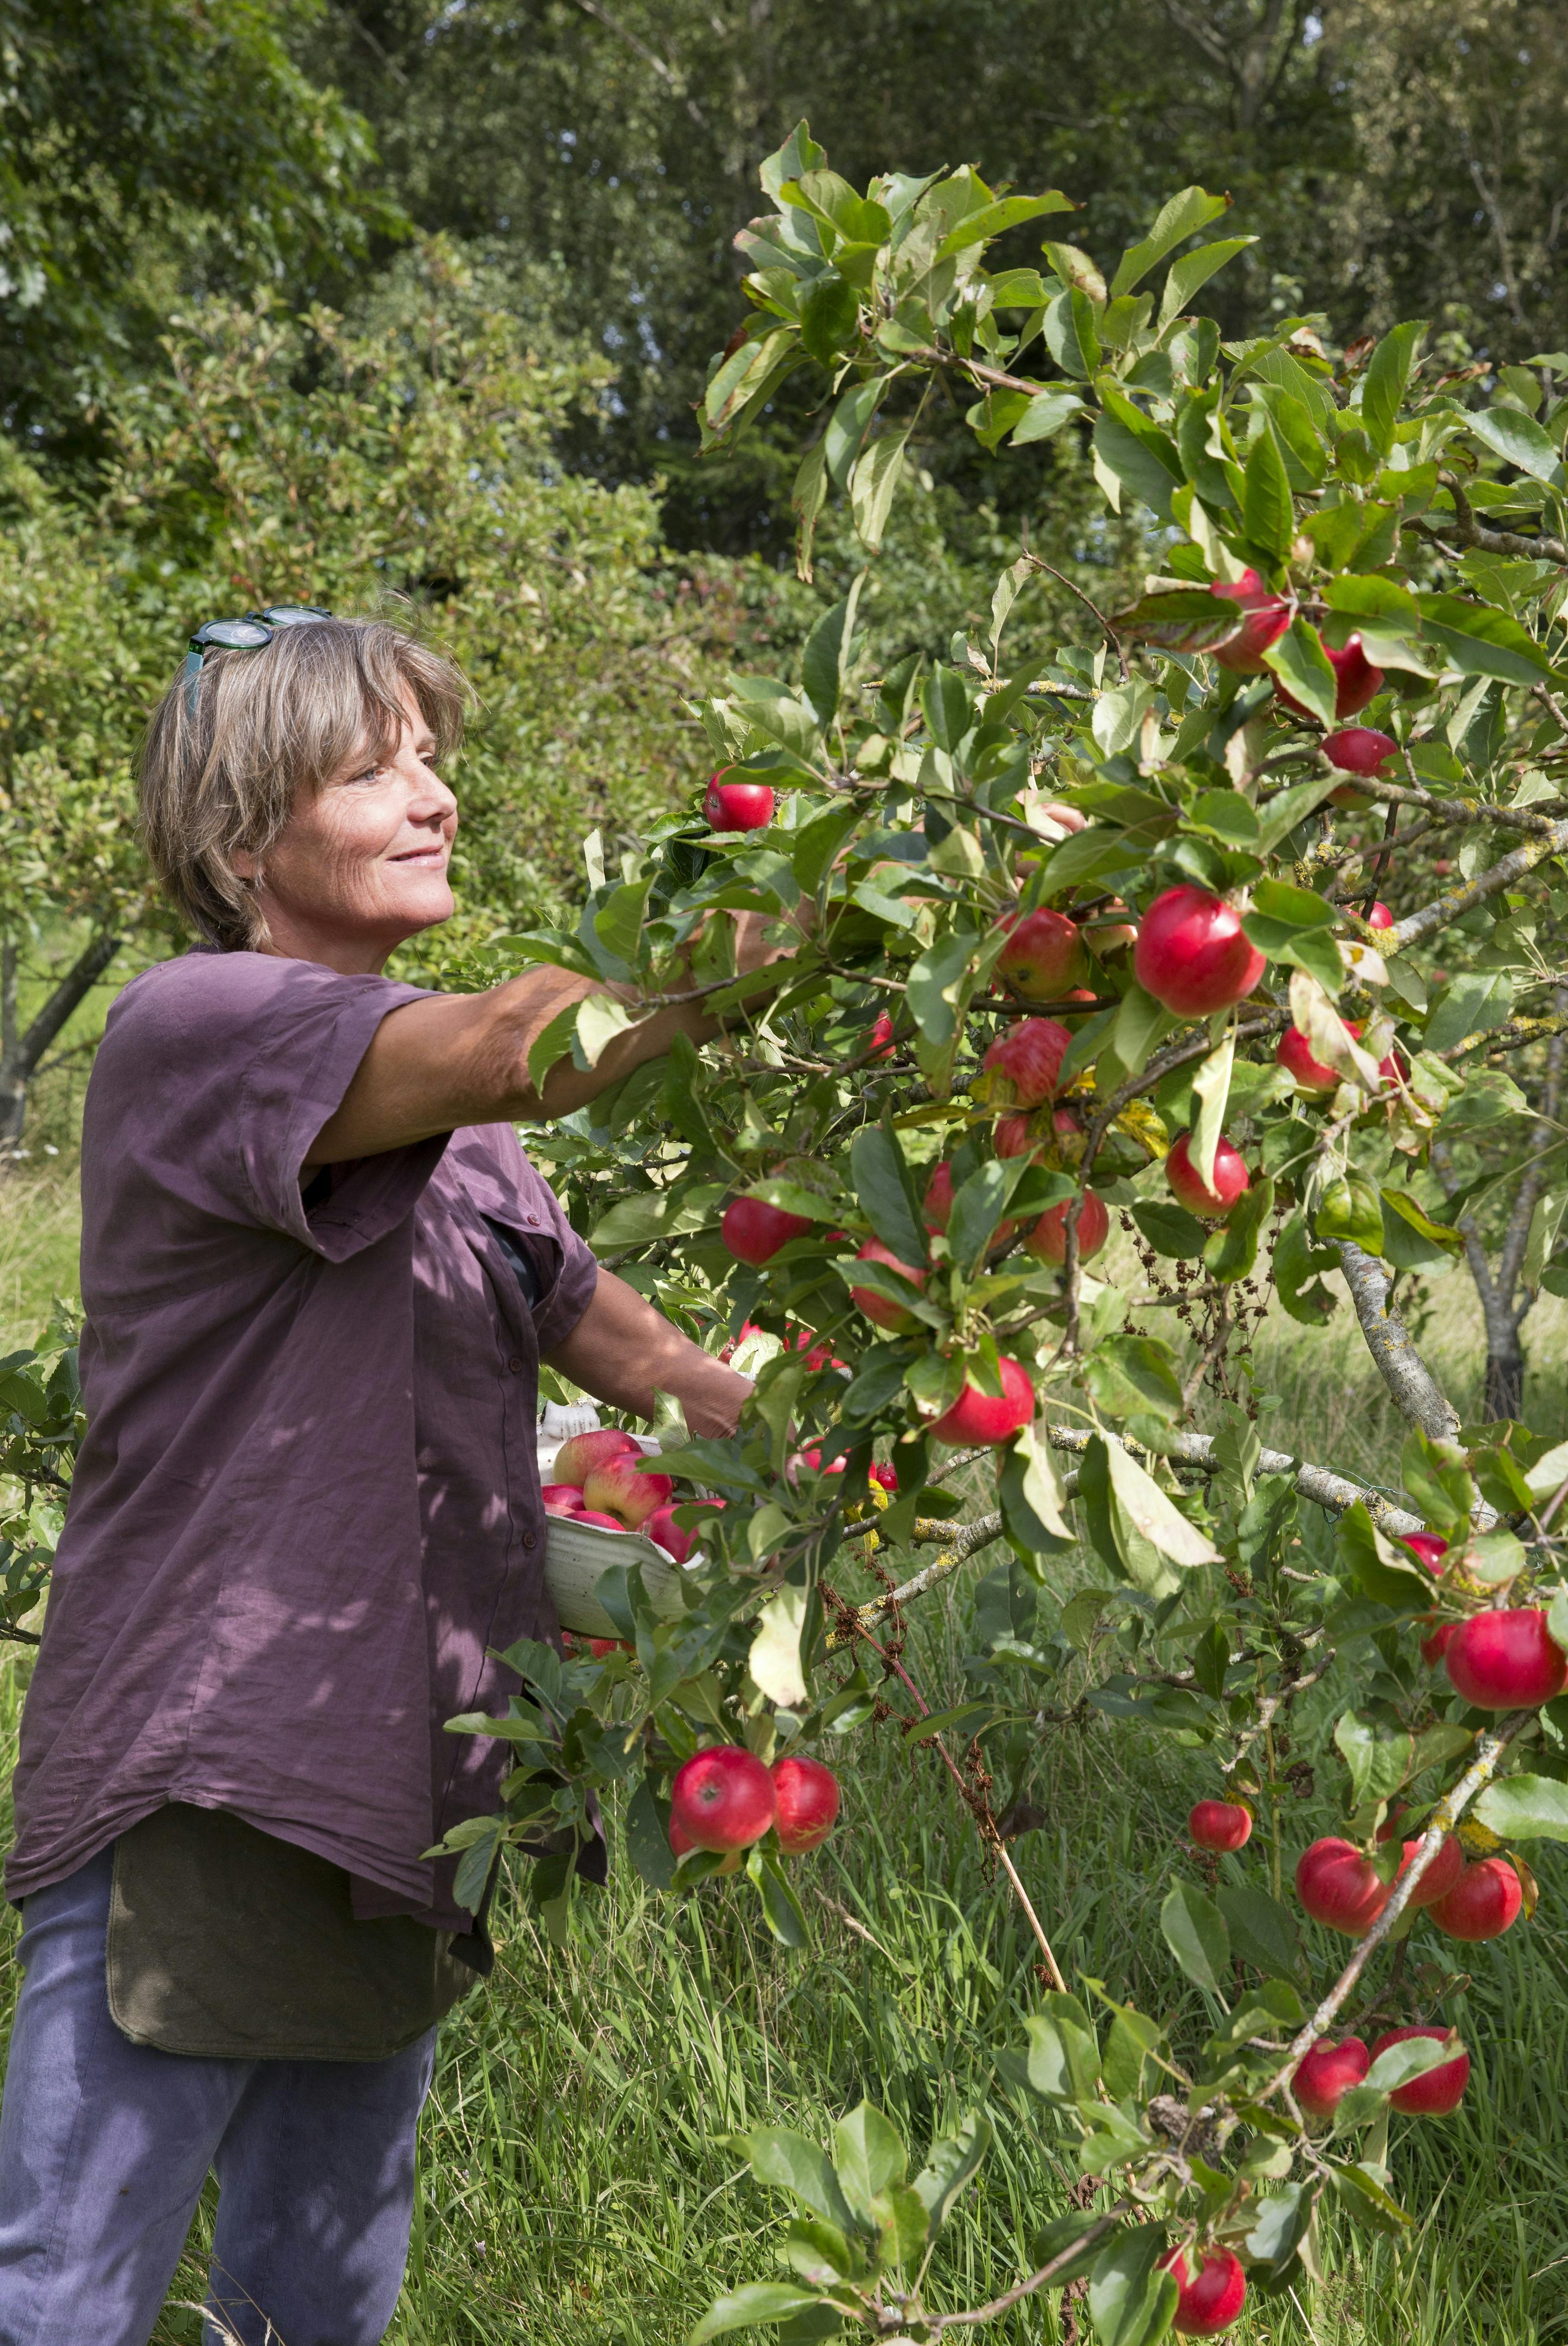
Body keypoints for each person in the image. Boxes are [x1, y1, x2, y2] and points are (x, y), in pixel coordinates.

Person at [0, 609, 763, 2346]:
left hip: (405, 1785)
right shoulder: (198, 1023)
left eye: (431, 758)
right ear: (240, 839)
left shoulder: (454, 1132)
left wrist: (850, 1433)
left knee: (315, 2306)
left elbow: (634, 1352)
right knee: (65, 2293)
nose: (435, 797)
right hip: (211, 1769)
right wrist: (799, 928)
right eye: (372, 769)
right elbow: (517, 1045)